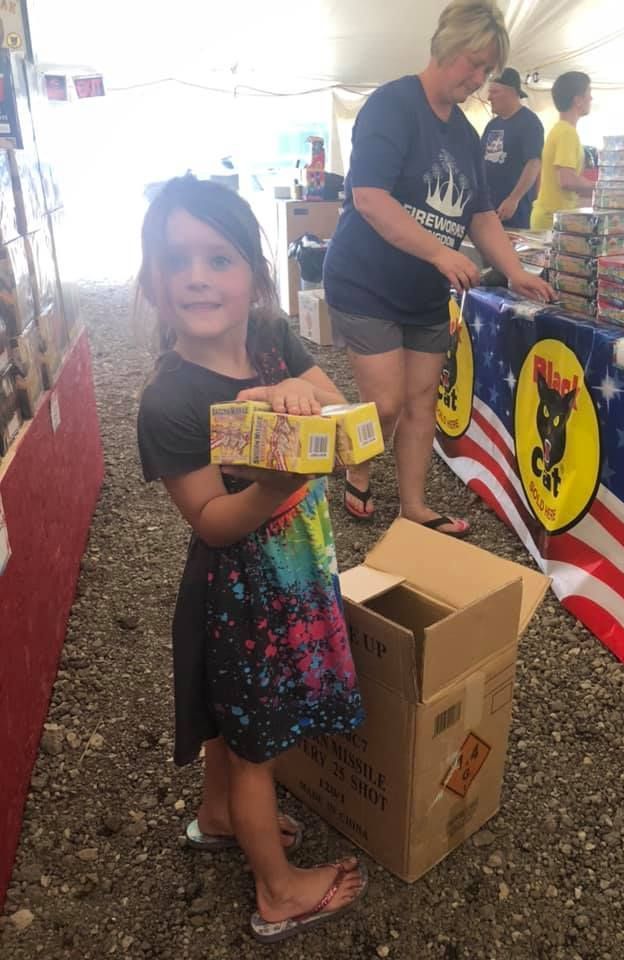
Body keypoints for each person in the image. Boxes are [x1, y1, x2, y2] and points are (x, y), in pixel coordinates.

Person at [135, 176, 367, 943]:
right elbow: (211, 521)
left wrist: (290, 389)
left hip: (295, 572)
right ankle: (278, 891)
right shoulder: (170, 402)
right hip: (239, 598)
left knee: (226, 725)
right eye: (177, 261)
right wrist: (277, 482)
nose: (197, 275)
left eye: (220, 257)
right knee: (254, 746)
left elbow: (329, 391)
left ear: (256, 277)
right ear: (152, 282)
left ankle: (216, 818)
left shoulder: (271, 335)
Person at [324, 0, 552, 538]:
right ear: (443, 46)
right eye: (472, 64)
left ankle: (414, 506)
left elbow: (479, 215)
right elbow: (370, 198)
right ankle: (355, 465)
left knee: (422, 399)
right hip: (366, 281)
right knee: (385, 402)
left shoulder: (467, 136)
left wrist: (514, 271)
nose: (477, 80)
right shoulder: (392, 106)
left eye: (487, 71)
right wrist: (439, 252)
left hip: (424, 292)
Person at [480, 67, 544, 228]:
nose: (489, 98)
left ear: (512, 92)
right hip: (488, 208)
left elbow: (534, 163)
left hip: (513, 212)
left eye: (494, 92)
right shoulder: (493, 125)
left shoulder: (529, 123)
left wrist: (513, 199)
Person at [530, 71, 594, 230]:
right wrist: (602, 187)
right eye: (589, 93)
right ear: (578, 100)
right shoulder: (567, 133)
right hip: (553, 219)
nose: (591, 98)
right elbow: (567, 180)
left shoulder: (560, 129)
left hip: (552, 216)